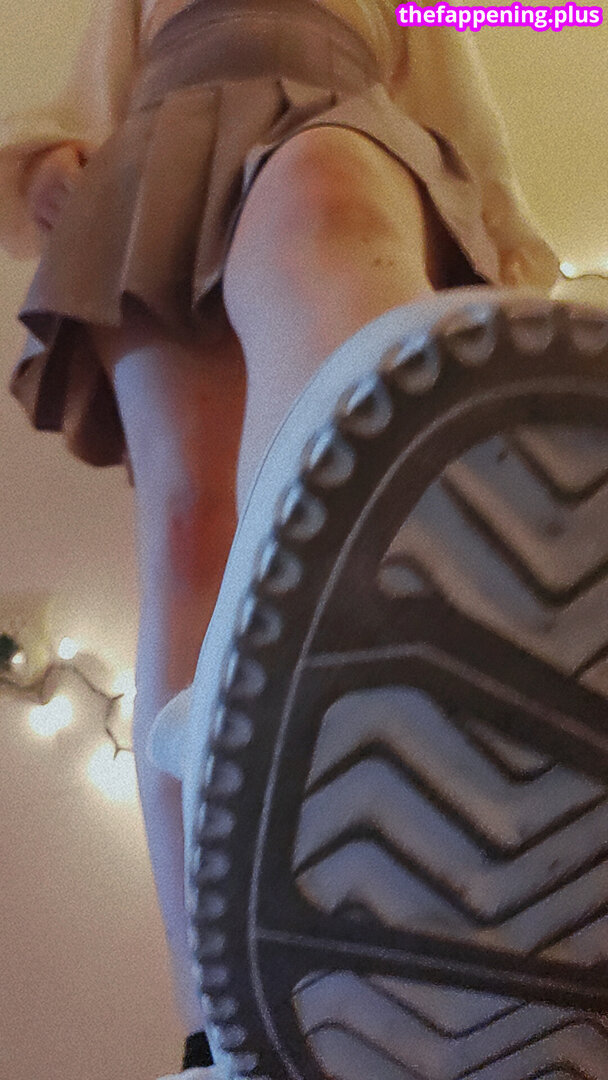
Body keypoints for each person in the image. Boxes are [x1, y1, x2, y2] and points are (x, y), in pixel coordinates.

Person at [3, 1, 607, 1077]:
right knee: (188, 531)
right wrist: (49, 162)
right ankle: (224, 1015)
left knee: (328, 205)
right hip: (162, 140)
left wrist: (507, 235)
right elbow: (89, 96)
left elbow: (461, 83)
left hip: (342, 110)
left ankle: (413, 760)